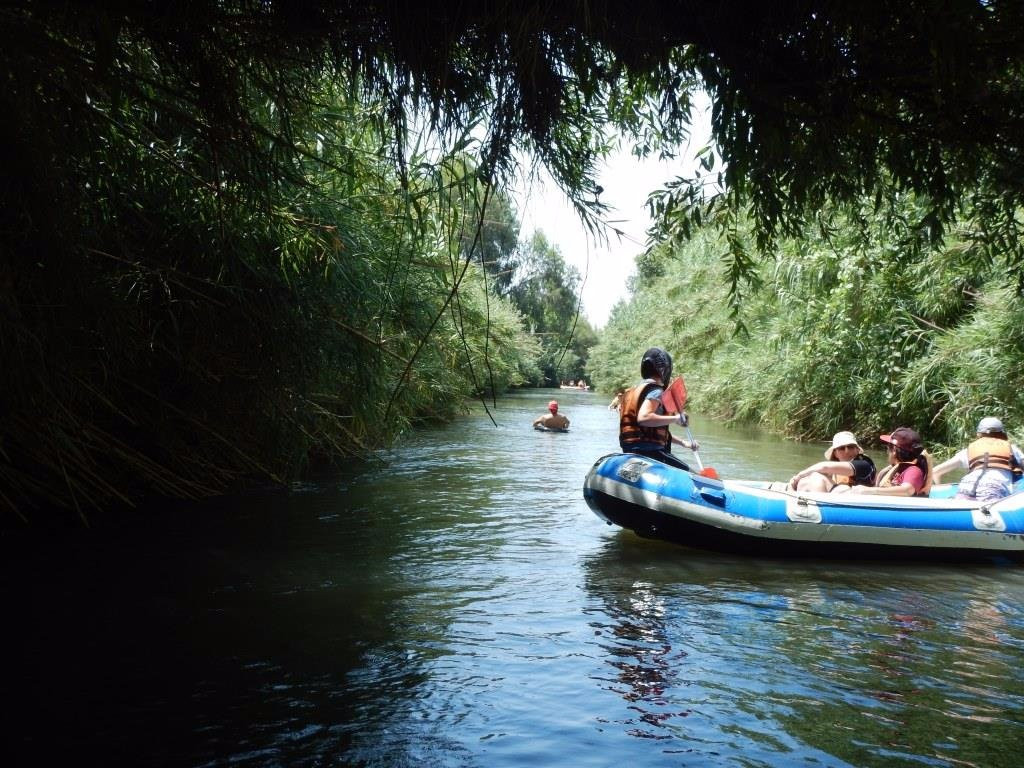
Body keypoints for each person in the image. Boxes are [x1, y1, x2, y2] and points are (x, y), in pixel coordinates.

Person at [618, 347, 698, 470]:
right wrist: (676, 418)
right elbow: (644, 418)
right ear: (665, 370)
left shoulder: (633, 391)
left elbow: (649, 430)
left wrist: (683, 443)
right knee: (690, 473)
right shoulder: (656, 391)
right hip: (650, 454)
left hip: (630, 451)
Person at [932, 417, 1024, 502]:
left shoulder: (969, 450)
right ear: (1002, 433)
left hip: (966, 488)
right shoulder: (1012, 449)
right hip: (994, 489)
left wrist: (938, 491)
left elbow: (936, 472)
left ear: (979, 434)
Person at [845, 427, 932, 497]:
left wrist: (869, 490)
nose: (887, 451)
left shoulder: (914, 470)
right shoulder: (896, 468)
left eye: (888, 447)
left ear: (894, 450)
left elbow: (907, 490)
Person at [788, 431, 877, 492]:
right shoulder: (834, 472)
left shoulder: (864, 464)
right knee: (807, 480)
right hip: (841, 500)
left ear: (857, 450)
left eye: (850, 447)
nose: (847, 451)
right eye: (842, 448)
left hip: (858, 503)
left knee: (817, 477)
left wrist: (798, 477)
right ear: (835, 454)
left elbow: (824, 467)